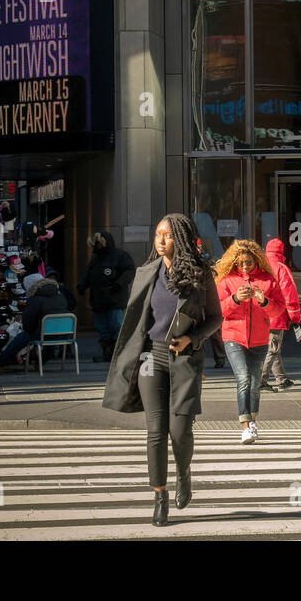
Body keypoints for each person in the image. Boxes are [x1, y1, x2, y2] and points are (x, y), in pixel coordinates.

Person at [103, 214, 222, 527]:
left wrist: (192, 338)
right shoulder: (146, 273)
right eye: (157, 234)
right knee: (156, 431)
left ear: (180, 239)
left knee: (180, 431)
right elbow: (136, 320)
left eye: (167, 235)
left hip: (186, 359)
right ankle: (160, 497)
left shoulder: (201, 275)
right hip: (149, 359)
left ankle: (184, 474)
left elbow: (215, 318)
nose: (160, 239)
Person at [212, 240, 280, 444]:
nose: (244, 266)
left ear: (257, 260)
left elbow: (278, 310)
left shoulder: (268, 280)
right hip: (234, 336)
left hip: (259, 338)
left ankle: (253, 420)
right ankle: (245, 425)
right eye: (240, 263)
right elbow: (217, 310)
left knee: (255, 382)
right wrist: (235, 299)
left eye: (248, 262)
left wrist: (263, 300)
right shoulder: (227, 280)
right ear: (234, 262)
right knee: (243, 378)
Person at [77, 231, 137, 363]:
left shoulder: (120, 256)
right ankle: (107, 353)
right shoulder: (96, 258)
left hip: (115, 300)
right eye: (96, 245)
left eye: (99, 244)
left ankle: (118, 354)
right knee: (102, 329)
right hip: (98, 300)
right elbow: (90, 275)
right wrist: (82, 285)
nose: (98, 247)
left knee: (116, 326)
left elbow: (130, 270)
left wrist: (118, 284)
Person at [0, 272, 69, 371]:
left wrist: (28, 329)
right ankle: (40, 363)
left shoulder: (35, 298)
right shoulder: (60, 295)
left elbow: (28, 322)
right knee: (51, 335)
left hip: (45, 332)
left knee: (24, 336)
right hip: (64, 331)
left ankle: (0, 362)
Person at [261, 238, 301, 390]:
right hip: (276, 316)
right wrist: (295, 316)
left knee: (273, 347)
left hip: (260, 315)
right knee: (273, 349)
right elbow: (290, 295)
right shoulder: (281, 268)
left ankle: (282, 379)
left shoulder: (261, 266)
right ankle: (260, 380)